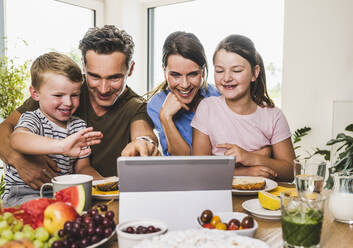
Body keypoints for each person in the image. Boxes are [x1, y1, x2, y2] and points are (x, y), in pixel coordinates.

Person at [0, 25, 159, 190]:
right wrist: (19, 160)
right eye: (95, 76)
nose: (103, 89)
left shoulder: (136, 106)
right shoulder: (64, 90)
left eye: (114, 78)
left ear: (130, 69)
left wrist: (144, 143)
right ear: (83, 66)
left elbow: (144, 135)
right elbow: (5, 129)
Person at [2, 52, 104, 206]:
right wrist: (62, 146)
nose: (68, 103)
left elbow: (83, 167)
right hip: (23, 192)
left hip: (60, 195)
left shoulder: (79, 126)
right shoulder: (33, 118)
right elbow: (17, 139)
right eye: (58, 95)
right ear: (35, 93)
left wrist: (103, 183)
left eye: (74, 95)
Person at [191, 34, 295, 182]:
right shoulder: (207, 108)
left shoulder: (273, 116)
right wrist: (245, 172)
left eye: (237, 71)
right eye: (220, 71)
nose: (227, 78)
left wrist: (250, 158)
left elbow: (291, 171)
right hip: (220, 196)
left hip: (262, 199)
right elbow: (200, 169)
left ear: (254, 73)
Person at [146, 31, 220, 156]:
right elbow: (183, 161)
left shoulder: (218, 96)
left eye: (193, 74)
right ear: (164, 72)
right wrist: (165, 118)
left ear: (203, 71)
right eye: (175, 75)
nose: (185, 84)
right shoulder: (156, 105)